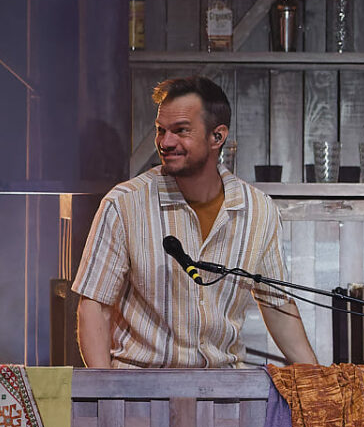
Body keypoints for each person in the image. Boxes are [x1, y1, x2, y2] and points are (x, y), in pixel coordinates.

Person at [72, 76, 317, 368]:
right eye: (161, 130)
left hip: (226, 397)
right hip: (139, 396)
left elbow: (277, 306)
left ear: (217, 137)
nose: (166, 142)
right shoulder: (124, 203)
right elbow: (94, 308)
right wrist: (107, 399)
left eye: (181, 131)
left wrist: (320, 387)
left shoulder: (259, 210)